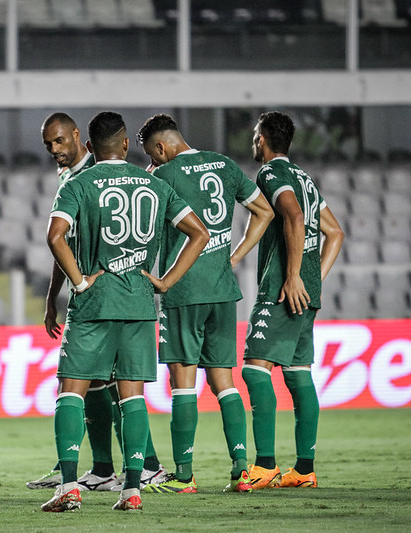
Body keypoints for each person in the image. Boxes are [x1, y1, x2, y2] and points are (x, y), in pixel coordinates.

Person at [40, 111, 209, 512]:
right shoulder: (153, 184)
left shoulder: (79, 184)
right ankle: (132, 490)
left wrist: (79, 282)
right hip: (139, 304)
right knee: (132, 397)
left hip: (95, 304)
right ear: (127, 145)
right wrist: (165, 281)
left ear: (89, 147)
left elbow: (55, 236)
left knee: (72, 390)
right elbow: (199, 233)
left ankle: (69, 487)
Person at [29, 112, 170, 493]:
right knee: (107, 386)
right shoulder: (74, 177)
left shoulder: (92, 176)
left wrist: (77, 285)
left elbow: (67, 242)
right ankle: (106, 468)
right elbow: (70, 246)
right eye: (48, 144)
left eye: (59, 141)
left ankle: (138, 466)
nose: (54, 150)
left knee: (107, 386)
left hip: (106, 299)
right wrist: (53, 296)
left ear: (79, 137)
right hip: (121, 299)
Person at [136, 113, 275, 494]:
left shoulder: (162, 177)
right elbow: (264, 211)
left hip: (182, 291)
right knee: (224, 382)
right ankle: (242, 471)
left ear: (160, 147)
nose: (153, 160)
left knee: (183, 382)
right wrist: (235, 254)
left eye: (152, 154)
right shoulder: (225, 164)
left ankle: (184, 476)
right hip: (222, 289)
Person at [241, 111, 344, 489]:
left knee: (255, 369)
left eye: (256, 135)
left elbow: (294, 217)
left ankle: (266, 466)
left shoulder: (270, 174)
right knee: (299, 375)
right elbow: (335, 233)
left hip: (282, 289)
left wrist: (294, 276)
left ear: (264, 139)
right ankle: (303, 469)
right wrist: (313, 279)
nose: (254, 141)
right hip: (306, 292)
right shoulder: (305, 178)